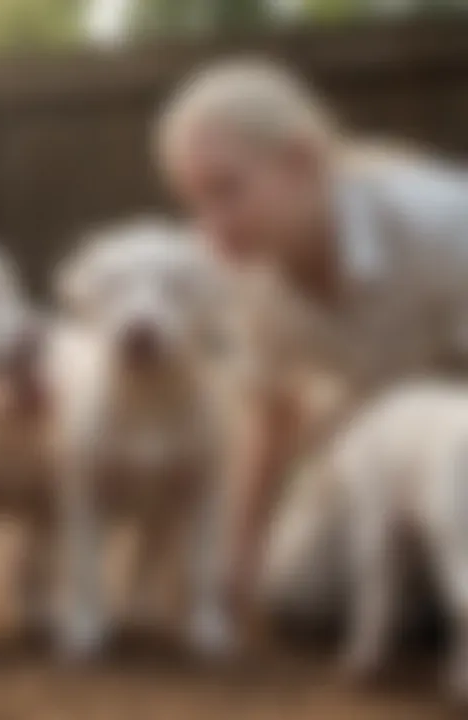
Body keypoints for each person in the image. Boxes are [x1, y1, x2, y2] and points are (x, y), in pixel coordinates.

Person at [156, 59, 468, 636]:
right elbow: (271, 411)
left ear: (301, 161)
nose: (210, 224)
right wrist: (239, 555)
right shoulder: (246, 272)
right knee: (294, 594)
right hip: (382, 452)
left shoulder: (446, 222)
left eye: (226, 189)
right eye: (194, 202)